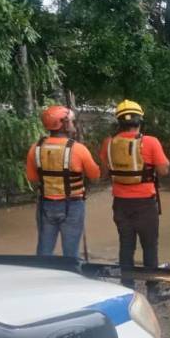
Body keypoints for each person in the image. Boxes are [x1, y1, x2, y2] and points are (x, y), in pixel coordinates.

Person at [99, 100, 170, 303]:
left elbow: (104, 173)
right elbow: (163, 170)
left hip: (121, 203)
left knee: (126, 246)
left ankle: (127, 290)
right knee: (150, 246)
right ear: (140, 119)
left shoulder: (109, 143)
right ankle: (153, 290)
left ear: (119, 121)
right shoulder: (150, 142)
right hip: (145, 204)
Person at [26, 105, 101, 258]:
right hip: (72, 205)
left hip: (45, 205)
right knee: (71, 253)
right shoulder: (79, 149)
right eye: (72, 121)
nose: (73, 124)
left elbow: (32, 178)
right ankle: (71, 277)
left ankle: (43, 276)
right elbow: (95, 175)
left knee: (44, 251)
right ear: (64, 124)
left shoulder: (35, 148)